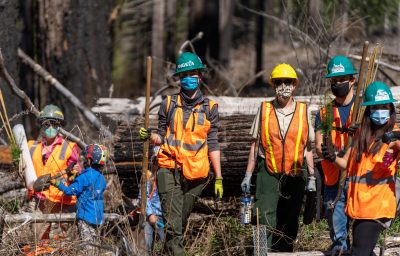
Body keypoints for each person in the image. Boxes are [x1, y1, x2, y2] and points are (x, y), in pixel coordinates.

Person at [139, 51, 223, 256]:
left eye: (192, 74)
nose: (188, 79)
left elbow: (213, 143)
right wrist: (151, 136)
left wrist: (219, 177)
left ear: (200, 76)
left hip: (196, 174)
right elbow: (160, 136)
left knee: (176, 223)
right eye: (184, 75)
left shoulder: (210, 108)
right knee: (173, 226)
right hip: (169, 169)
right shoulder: (168, 104)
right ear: (179, 79)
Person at [241, 63, 315, 252]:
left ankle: (283, 253)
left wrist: (312, 177)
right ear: (273, 85)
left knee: (290, 220)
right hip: (268, 171)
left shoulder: (304, 110)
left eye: (288, 82)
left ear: (295, 85)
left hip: (295, 172)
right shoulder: (264, 109)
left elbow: (307, 147)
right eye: (279, 82)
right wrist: (248, 175)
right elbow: (255, 144)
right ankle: (260, 251)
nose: (284, 86)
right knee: (261, 216)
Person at [322, 81, 400, 256]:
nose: (380, 111)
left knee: (359, 252)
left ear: (391, 109)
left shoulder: (394, 138)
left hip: (377, 208)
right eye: (375, 107)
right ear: (368, 111)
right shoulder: (361, 135)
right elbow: (345, 164)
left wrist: (396, 135)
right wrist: (333, 157)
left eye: (384, 107)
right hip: (359, 208)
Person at [314, 55, 358, 253]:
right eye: (334, 80)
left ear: (352, 80)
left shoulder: (364, 110)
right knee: (338, 236)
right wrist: (330, 154)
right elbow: (318, 145)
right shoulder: (324, 113)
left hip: (360, 179)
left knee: (362, 235)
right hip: (333, 179)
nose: (338, 83)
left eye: (342, 79)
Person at [28, 104, 81, 240]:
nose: (50, 127)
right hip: (40, 200)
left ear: (59, 127)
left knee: (62, 241)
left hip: (62, 200)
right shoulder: (31, 147)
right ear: (41, 125)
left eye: (54, 124)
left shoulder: (69, 147)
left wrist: (73, 174)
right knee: (37, 238)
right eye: (46, 124)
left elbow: (75, 173)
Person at [50, 144, 108, 251]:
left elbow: (69, 191)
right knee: (95, 246)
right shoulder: (101, 178)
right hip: (98, 218)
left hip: (86, 217)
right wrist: (77, 177)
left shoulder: (85, 177)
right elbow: (89, 189)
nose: (83, 161)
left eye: (85, 159)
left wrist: (56, 183)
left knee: (87, 248)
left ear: (89, 160)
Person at [139, 168, 165, 253]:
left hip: (165, 218)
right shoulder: (149, 179)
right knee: (146, 247)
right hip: (150, 217)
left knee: (166, 246)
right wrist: (150, 214)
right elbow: (143, 196)